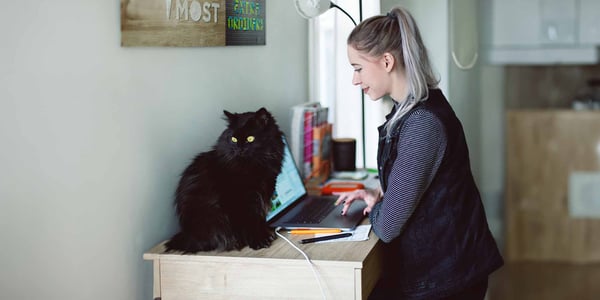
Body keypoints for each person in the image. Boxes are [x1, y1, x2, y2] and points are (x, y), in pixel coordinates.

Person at [334, 6, 504, 300]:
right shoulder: (410, 108)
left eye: (358, 68)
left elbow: (387, 228)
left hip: (448, 278)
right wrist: (381, 197)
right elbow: (417, 187)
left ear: (387, 61)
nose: (355, 80)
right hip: (442, 268)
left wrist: (380, 210)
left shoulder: (422, 123)